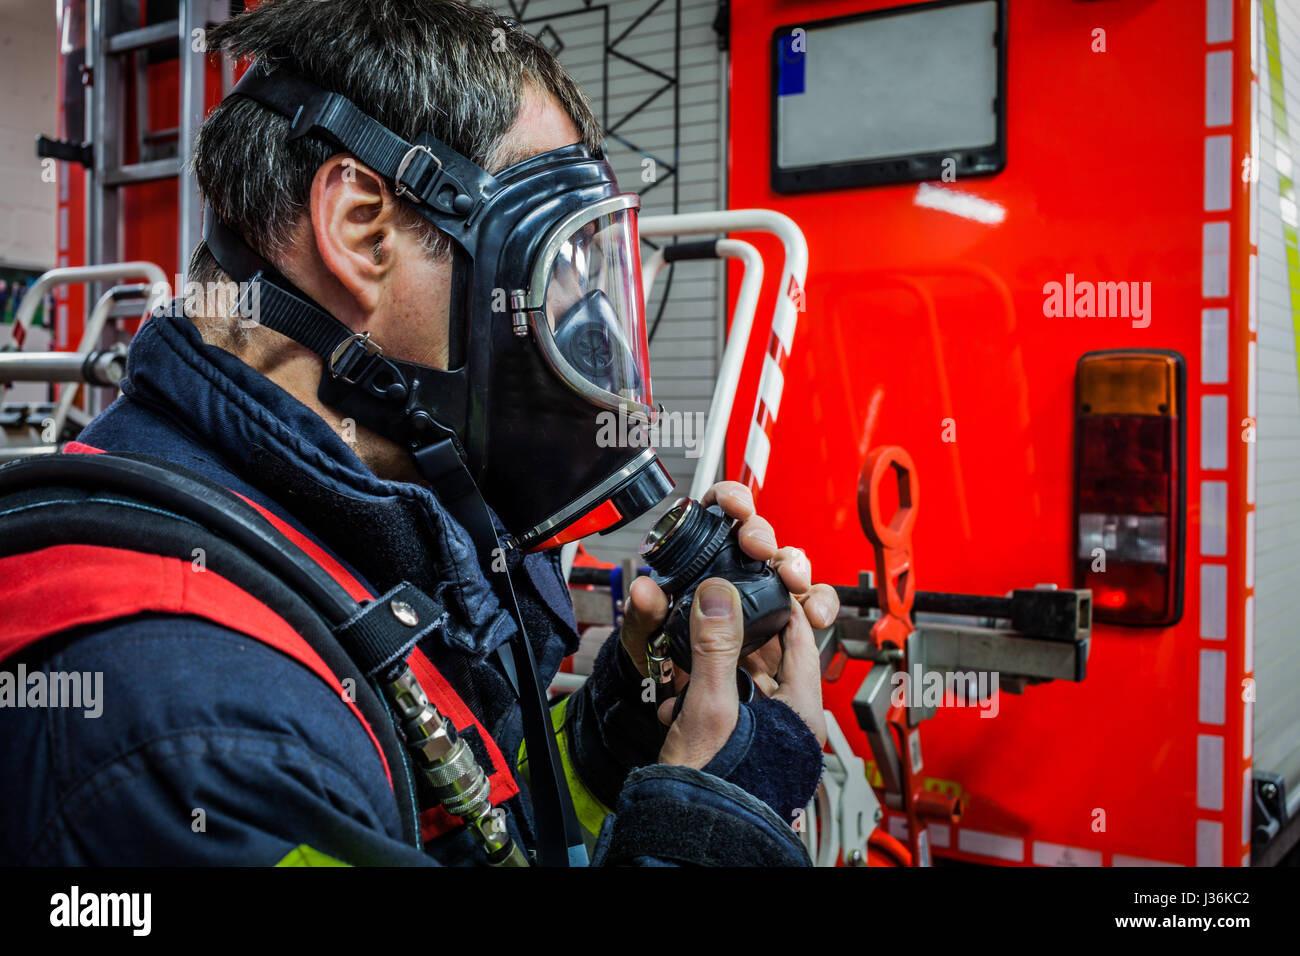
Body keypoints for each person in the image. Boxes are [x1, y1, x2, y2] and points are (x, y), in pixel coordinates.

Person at [0, 0, 839, 867]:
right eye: (546, 266)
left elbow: (462, 817)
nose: (574, 327)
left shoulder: (328, 535)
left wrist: (619, 731)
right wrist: (713, 838)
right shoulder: (190, 734)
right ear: (361, 230)